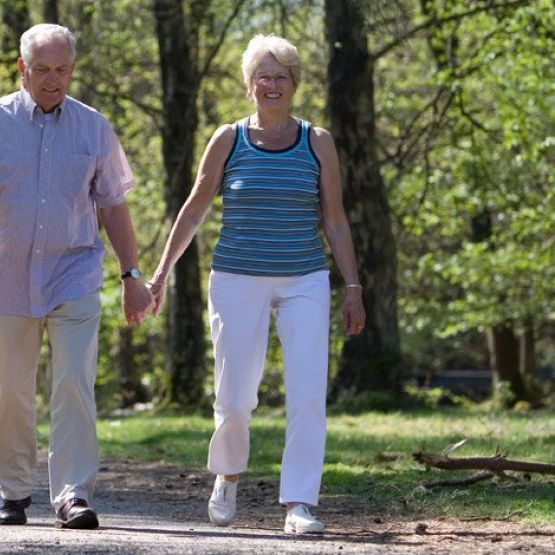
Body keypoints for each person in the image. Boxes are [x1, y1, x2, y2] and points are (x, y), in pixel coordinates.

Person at [147, 34, 366, 534]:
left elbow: (334, 218)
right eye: (263, 76)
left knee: (307, 391)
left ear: (294, 84)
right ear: (249, 85)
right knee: (235, 394)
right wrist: (161, 273)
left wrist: (352, 287)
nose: (272, 84)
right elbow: (195, 209)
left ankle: (299, 503)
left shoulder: (318, 142)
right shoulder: (228, 139)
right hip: (236, 277)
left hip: (304, 277)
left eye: (281, 76)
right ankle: (227, 475)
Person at [0, 23, 153, 530]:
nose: (53, 79)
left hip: (73, 272)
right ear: (22, 69)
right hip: (4, 276)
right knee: (10, 391)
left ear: (72, 70)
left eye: (62, 69)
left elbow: (113, 206)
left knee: (74, 383)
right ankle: (14, 491)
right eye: (42, 69)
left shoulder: (93, 128)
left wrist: (131, 275)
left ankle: (73, 494)